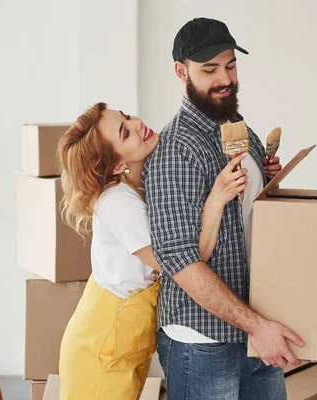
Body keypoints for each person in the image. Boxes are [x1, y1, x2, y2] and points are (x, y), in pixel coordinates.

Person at [143, 17, 317, 399]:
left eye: (231, 66)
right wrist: (256, 327)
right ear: (180, 72)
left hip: (257, 331)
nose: (225, 79)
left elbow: (262, 225)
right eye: (210, 69)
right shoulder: (176, 151)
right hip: (203, 342)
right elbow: (180, 262)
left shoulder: (238, 129)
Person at [55, 102, 250, 399]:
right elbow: (184, 261)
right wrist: (217, 198)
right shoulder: (119, 204)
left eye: (127, 117)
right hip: (103, 346)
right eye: (125, 133)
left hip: (121, 339)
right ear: (117, 165)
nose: (137, 125)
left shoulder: (141, 182)